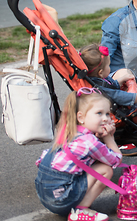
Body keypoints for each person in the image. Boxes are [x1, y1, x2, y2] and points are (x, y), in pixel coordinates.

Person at [35, 88, 122, 221]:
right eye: (99, 113)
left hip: (46, 196)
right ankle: (81, 210)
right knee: (106, 170)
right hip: (62, 201)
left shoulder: (68, 133)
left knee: (92, 165)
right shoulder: (89, 142)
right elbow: (116, 160)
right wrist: (109, 138)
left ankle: (74, 202)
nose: (105, 118)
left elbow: (40, 161)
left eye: (107, 113)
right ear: (80, 117)